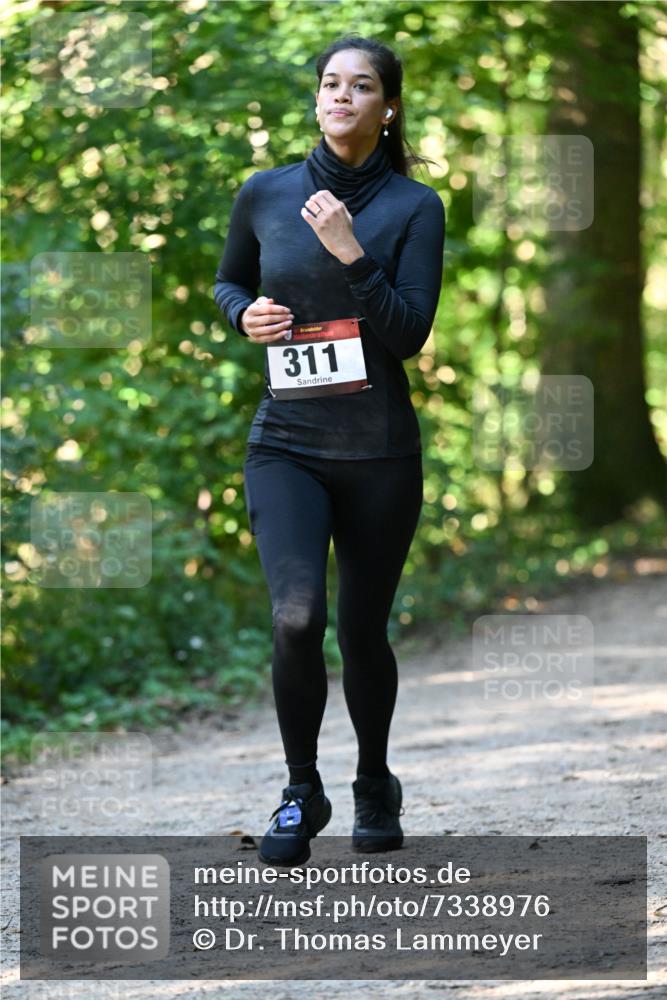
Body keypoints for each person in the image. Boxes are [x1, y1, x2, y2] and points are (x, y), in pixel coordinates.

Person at [213, 33, 445, 867]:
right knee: (295, 615)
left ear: (387, 108)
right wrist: (243, 315)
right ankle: (300, 788)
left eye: (359, 86)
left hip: (379, 451)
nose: (339, 96)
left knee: (362, 631)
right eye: (328, 83)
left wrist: (350, 252)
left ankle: (374, 783)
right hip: (287, 444)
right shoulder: (265, 192)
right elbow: (229, 282)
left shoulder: (413, 207)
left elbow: (409, 334)